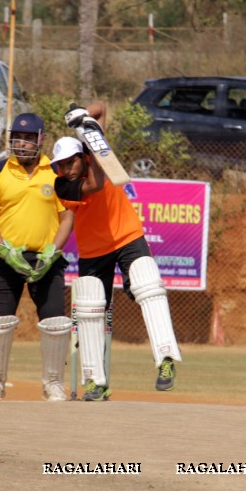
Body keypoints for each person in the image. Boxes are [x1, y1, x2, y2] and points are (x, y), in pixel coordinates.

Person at [50, 102, 182, 401]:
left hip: (126, 236)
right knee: (90, 308)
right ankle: (96, 381)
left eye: (70, 162)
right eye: (60, 164)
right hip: (93, 252)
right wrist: (93, 146)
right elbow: (96, 184)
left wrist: (82, 114)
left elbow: (102, 109)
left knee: (148, 285)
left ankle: (165, 359)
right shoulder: (64, 186)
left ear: (82, 158)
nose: (65, 169)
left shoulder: (95, 150)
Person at [0, 113, 75, 401]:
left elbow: (67, 216)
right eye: (17, 138)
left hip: (46, 260)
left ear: (40, 140)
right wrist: (4, 249)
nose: (22, 143)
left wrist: (52, 250)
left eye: (29, 138)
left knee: (56, 323)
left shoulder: (55, 172)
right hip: (7, 260)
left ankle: (53, 383)